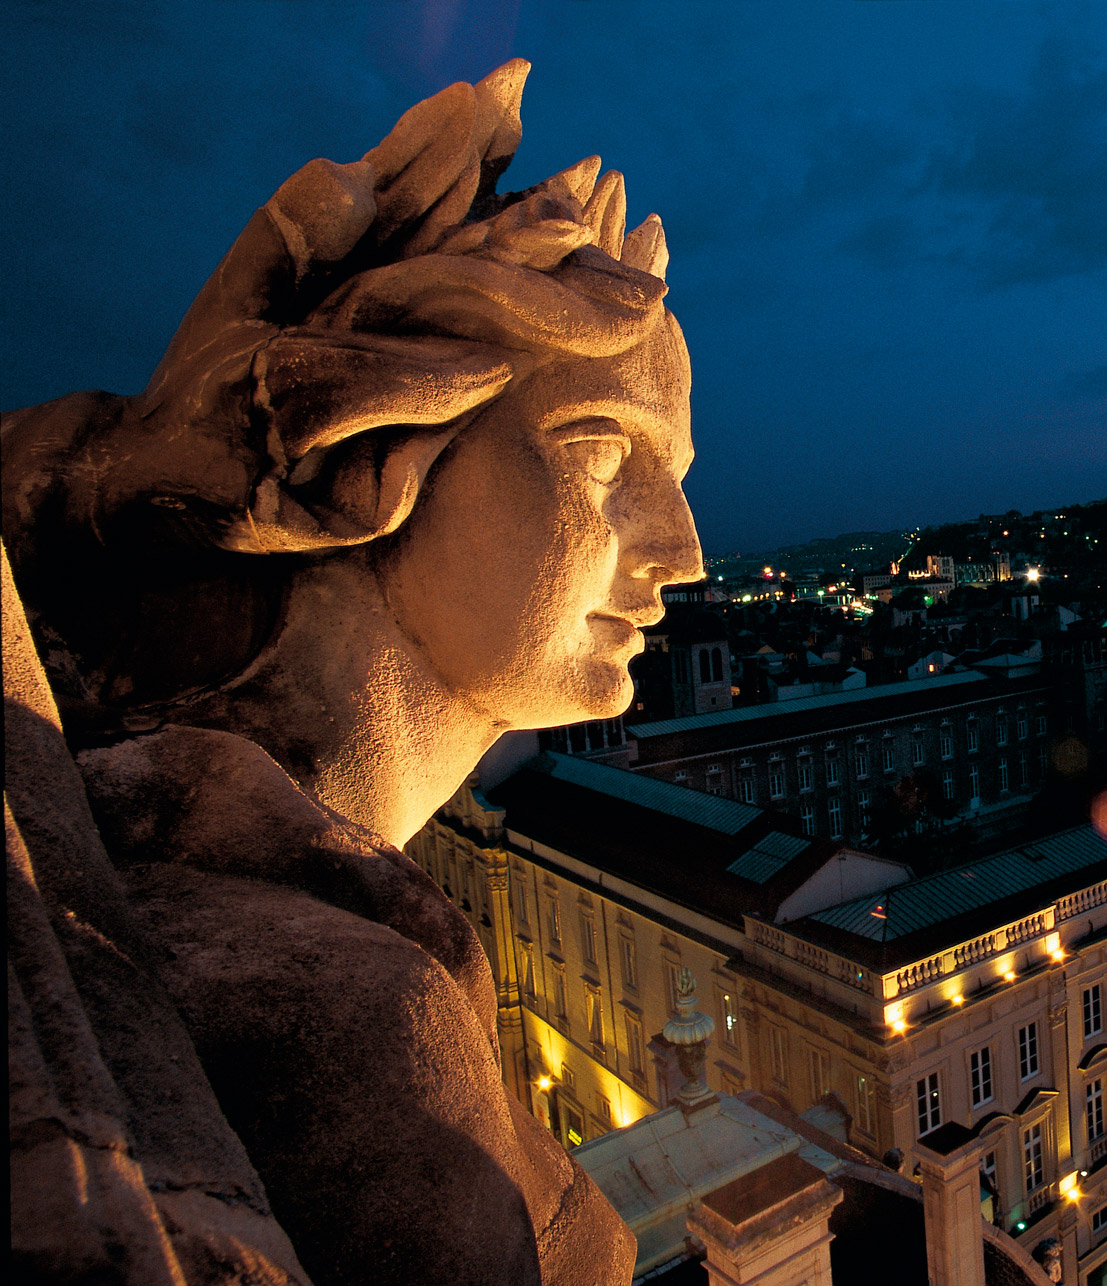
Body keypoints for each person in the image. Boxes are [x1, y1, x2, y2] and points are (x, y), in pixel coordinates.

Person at [5, 60, 699, 1284]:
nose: (684, 551)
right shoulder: (362, 1032)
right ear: (381, 446)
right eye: (603, 455)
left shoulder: (152, 826)